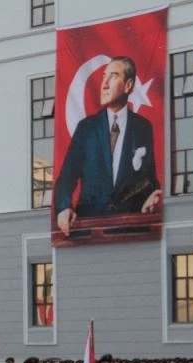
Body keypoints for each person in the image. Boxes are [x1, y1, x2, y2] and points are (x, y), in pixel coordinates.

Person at [54, 56, 162, 236]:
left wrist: (151, 197)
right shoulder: (86, 128)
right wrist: (63, 208)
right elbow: (66, 178)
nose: (104, 83)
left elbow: (148, 179)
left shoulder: (143, 127)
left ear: (128, 86)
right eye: (103, 77)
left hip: (131, 230)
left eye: (112, 76)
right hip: (90, 230)